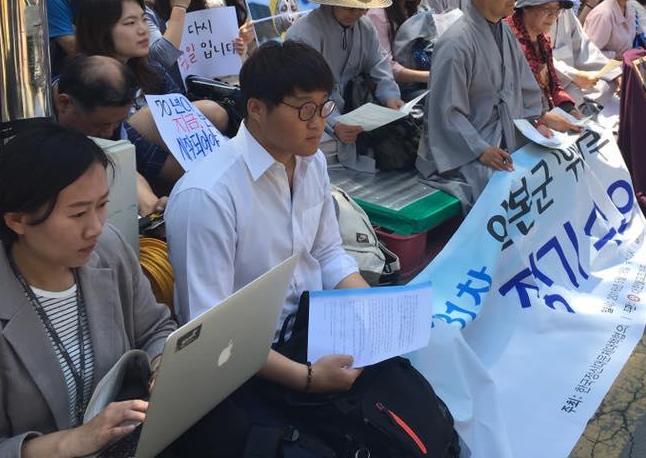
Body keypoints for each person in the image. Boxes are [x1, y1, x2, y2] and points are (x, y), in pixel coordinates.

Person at [164, 41, 448, 451]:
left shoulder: (309, 160)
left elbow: (329, 252)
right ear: (257, 109)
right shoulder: (207, 196)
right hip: (251, 365)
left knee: (412, 408)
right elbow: (213, 335)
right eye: (304, 110)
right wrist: (308, 378)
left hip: (315, 329)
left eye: (324, 106)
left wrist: (371, 314)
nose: (319, 123)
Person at [0, 124, 179, 458]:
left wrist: (161, 367)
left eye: (102, 205)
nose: (96, 227)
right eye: (78, 213)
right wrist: (71, 442)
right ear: (17, 220)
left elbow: (155, 328)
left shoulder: (109, 249)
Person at [416, 0, 575, 207]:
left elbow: (524, 89)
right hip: (465, 152)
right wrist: (480, 149)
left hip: (507, 135)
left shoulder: (504, 32)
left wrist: (542, 117)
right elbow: (446, 113)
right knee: (511, 188)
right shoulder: (455, 44)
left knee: (558, 162)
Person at [75, 0, 229, 186]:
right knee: (152, 115)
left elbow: (183, 111)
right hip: (126, 164)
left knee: (214, 112)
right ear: (100, 30)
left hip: (176, 150)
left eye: (143, 19)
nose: (143, 30)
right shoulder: (87, 78)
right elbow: (130, 145)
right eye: (130, 23)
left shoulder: (149, 67)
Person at [285, 0, 403, 171]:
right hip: (312, 116)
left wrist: (390, 96)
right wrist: (334, 124)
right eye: (350, 8)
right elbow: (306, 93)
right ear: (331, 0)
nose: (358, 13)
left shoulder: (365, 27)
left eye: (362, 8)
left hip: (355, 111)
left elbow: (378, 63)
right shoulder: (304, 34)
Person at [54, 55, 167, 217]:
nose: (108, 133)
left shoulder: (108, 115)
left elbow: (118, 160)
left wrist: (152, 205)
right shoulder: (33, 124)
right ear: (64, 103)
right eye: (101, 125)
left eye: (118, 123)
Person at [540, 0, 611, 109]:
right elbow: (537, 58)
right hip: (542, 89)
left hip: (569, 83)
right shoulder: (533, 10)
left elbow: (584, 48)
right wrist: (575, 75)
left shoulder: (565, 8)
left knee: (608, 86)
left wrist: (613, 73)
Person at [506, 0, 577, 112]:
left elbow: (553, 84)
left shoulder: (543, 39)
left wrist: (569, 109)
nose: (553, 15)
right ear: (526, 7)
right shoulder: (507, 38)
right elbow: (509, 95)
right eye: (546, 8)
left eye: (556, 9)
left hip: (546, 113)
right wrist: (542, 121)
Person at [368, 0, 430, 86]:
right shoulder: (377, 14)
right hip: (392, 86)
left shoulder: (412, 9)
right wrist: (429, 76)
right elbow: (385, 65)